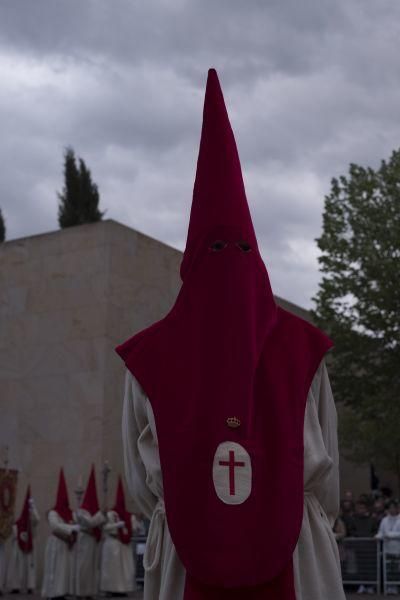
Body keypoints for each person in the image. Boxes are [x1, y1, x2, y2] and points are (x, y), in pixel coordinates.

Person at [116, 68, 345, 599]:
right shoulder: (305, 349)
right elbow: (327, 474)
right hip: (298, 547)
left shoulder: (148, 358)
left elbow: (136, 481)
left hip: (186, 550)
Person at [42, 468, 79, 599]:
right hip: (57, 543)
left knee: (65, 570)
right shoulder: (53, 512)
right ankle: (53, 593)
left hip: (67, 545)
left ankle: (63, 592)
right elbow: (55, 526)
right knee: (55, 568)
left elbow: (77, 523)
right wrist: (71, 528)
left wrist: (75, 528)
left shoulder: (71, 512)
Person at [100, 476, 136, 595]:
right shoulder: (111, 514)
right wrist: (118, 526)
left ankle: (122, 589)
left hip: (123, 545)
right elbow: (105, 527)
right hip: (112, 542)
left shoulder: (129, 516)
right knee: (111, 569)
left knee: (123, 569)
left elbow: (134, 528)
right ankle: (110, 589)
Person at [74, 465, 105, 599]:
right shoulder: (81, 510)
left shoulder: (92, 510)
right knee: (83, 567)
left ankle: (90, 591)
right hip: (84, 540)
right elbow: (89, 522)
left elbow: (100, 522)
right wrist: (100, 516)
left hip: (92, 541)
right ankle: (81, 592)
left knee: (93, 568)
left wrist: (101, 516)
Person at [6, 485, 40, 593]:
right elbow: (12, 532)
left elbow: (37, 519)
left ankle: (30, 586)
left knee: (30, 566)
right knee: (16, 566)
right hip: (18, 548)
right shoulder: (17, 523)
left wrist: (32, 507)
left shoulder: (32, 522)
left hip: (30, 547)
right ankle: (15, 586)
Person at [376, 500, 400, 595]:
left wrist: (389, 535)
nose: (392, 509)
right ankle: (390, 587)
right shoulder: (384, 520)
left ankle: (396, 587)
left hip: (398, 549)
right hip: (388, 549)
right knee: (389, 569)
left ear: (397, 508)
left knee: (397, 569)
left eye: (393, 507)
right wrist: (377, 536)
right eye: (390, 507)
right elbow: (381, 532)